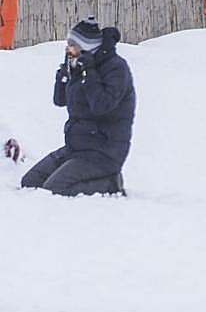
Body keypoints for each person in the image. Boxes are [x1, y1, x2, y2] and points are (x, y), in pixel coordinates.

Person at [20, 17, 135, 196]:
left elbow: (101, 105)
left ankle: (110, 184)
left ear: (87, 47)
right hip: (77, 147)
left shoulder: (115, 68)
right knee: (30, 182)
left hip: (104, 151)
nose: (68, 49)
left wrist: (89, 73)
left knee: (55, 189)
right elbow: (59, 100)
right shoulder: (80, 65)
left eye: (72, 44)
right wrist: (64, 75)